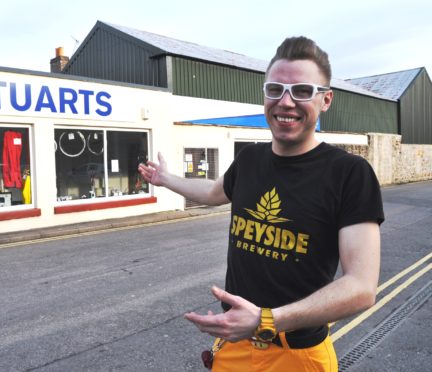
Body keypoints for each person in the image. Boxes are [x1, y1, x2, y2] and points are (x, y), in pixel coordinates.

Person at [138, 36, 384, 371]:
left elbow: (361, 287)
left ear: (326, 100)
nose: (285, 102)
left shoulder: (349, 173)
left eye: (301, 91)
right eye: (275, 89)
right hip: (234, 347)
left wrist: (266, 320)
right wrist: (166, 179)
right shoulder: (250, 158)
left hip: (296, 356)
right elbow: (212, 192)